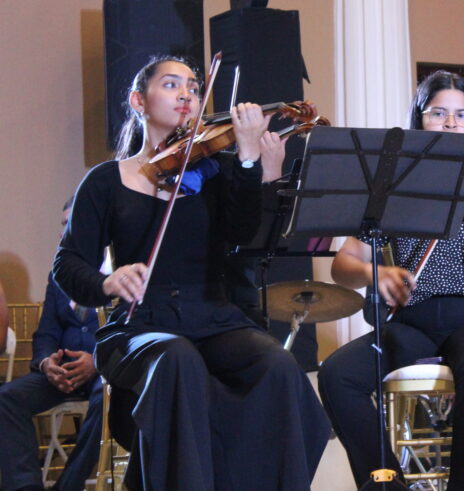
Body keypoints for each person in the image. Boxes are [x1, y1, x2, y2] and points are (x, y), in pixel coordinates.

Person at [51, 55, 330, 491]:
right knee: (176, 357)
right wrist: (107, 281)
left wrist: (250, 158)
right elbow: (67, 265)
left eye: (194, 88)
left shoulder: (213, 173)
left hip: (213, 317)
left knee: (276, 365)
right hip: (139, 326)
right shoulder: (106, 181)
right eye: (171, 85)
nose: (186, 94)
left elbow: (242, 236)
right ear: (138, 101)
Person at [318, 70, 464, 491]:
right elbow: (344, 263)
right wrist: (378, 272)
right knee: (339, 375)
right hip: (417, 320)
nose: (450, 123)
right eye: (439, 113)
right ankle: (388, 483)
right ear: (420, 120)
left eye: (462, 115)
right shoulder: (394, 184)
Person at [0, 200, 102, 491]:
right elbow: (46, 333)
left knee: (107, 399)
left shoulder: (118, 271)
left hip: (103, 371)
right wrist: (46, 363)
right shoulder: (58, 275)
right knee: (7, 397)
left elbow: (129, 332)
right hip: (61, 371)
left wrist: (96, 360)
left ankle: (67, 486)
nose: (62, 233)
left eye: (69, 224)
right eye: (61, 225)